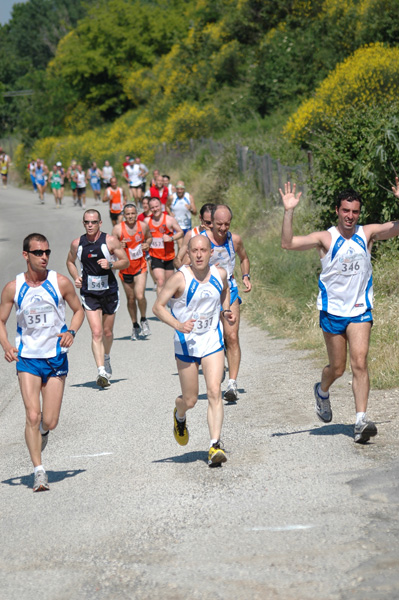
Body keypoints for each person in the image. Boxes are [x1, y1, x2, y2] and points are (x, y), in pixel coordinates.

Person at [280, 181, 399, 443]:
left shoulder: (366, 233)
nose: (350, 216)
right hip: (332, 312)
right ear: (337, 210)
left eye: (355, 212)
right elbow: (287, 243)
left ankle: (360, 421)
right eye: (346, 210)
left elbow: (396, 228)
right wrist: (289, 211)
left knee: (359, 362)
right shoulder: (326, 238)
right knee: (337, 368)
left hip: (359, 310)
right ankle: (322, 391)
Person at [0, 233, 84, 492]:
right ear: (25, 255)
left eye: (46, 252)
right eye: (38, 253)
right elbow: (1, 321)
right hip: (28, 359)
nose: (44, 257)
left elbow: (78, 310)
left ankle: (43, 434)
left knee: (50, 420)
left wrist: (71, 331)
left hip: (56, 357)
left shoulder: (59, 282)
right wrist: (7, 346)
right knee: (32, 415)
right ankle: (39, 471)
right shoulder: (14, 288)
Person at [153, 235, 236, 466]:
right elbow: (158, 307)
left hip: (212, 340)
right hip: (186, 342)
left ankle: (214, 445)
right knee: (190, 399)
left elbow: (225, 290)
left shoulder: (219, 274)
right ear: (188, 254)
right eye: (194, 251)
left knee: (214, 391)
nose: (199, 255)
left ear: (211, 252)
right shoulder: (180, 279)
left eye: (203, 250)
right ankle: (179, 414)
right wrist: (178, 325)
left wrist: (225, 309)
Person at [66, 210, 129, 388]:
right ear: (83, 223)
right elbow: (70, 262)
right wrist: (76, 277)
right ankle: (101, 371)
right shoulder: (77, 244)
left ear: (100, 223)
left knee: (107, 332)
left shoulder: (110, 241)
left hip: (109, 292)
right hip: (90, 293)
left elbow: (125, 261)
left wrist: (111, 264)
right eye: (87, 222)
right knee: (96, 332)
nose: (90, 225)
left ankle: (106, 357)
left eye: (94, 222)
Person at [200, 204, 251, 402]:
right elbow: (185, 263)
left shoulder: (234, 240)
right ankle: (217, 365)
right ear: (211, 222)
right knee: (212, 336)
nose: (222, 228)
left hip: (229, 290)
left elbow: (244, 258)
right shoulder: (202, 240)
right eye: (219, 224)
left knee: (232, 336)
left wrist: (246, 275)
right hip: (206, 293)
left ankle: (232, 384)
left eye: (227, 224)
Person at [112, 203, 152, 340]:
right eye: (127, 214)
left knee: (140, 295)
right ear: (124, 215)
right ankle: (135, 325)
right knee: (131, 298)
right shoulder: (117, 229)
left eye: (133, 213)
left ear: (136, 214)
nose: (130, 216)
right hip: (125, 268)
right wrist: (118, 246)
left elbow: (149, 237)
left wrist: (147, 244)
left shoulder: (143, 226)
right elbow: (111, 247)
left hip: (140, 266)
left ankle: (144, 319)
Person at [145, 197, 183, 293]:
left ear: (161, 206)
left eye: (157, 206)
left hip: (169, 256)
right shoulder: (146, 221)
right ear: (150, 209)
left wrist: (171, 238)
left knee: (168, 284)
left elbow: (180, 232)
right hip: (155, 256)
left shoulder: (169, 220)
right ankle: (159, 306)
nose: (155, 209)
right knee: (160, 282)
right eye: (152, 207)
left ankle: (168, 303)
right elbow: (140, 233)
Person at [174, 203, 215, 269]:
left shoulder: (220, 235)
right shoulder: (191, 234)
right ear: (200, 218)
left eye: (214, 222)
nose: (211, 225)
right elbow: (178, 259)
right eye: (208, 222)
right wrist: (182, 271)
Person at [168, 181, 197, 245]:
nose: (179, 191)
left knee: (186, 247)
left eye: (181, 189)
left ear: (184, 189)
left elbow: (195, 212)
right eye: (178, 189)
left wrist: (190, 209)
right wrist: (169, 212)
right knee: (181, 246)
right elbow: (166, 206)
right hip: (177, 226)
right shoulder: (172, 197)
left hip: (187, 226)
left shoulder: (189, 197)